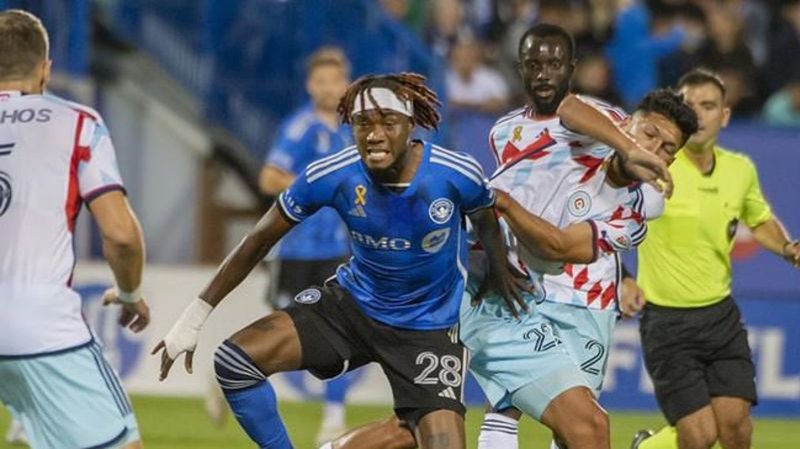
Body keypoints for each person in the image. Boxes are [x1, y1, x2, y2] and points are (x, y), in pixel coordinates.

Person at [322, 24, 688, 449]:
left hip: (538, 290)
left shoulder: (639, 210)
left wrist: (504, 205)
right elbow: (570, 108)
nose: (652, 149)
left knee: (424, 425)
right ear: (628, 123)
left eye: (666, 148)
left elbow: (556, 245)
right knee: (577, 424)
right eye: (647, 135)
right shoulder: (566, 127)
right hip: (481, 281)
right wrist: (627, 146)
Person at [153, 72, 528, 449]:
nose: (374, 134)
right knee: (235, 362)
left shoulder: (455, 173)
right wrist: (194, 317)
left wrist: (499, 272)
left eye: (388, 122)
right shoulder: (332, 173)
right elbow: (259, 239)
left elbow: (486, 220)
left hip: (429, 326)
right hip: (353, 307)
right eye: (363, 123)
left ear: (411, 125)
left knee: (429, 439)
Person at [0, 9, 150, 449]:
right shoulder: (78, 124)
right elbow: (120, 234)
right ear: (45, 70)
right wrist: (129, 293)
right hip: (40, 325)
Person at [629, 69, 800, 449]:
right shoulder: (654, 166)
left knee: (736, 429)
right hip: (667, 322)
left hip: (720, 317)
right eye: (689, 105)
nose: (698, 114)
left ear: (724, 115)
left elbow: (759, 220)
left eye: (708, 106)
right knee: (700, 436)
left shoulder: (740, 170)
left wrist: (788, 249)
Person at [257, 46, 355, 445]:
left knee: (342, 328)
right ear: (309, 86)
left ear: (346, 84)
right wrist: (316, 187)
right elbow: (269, 178)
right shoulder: (299, 129)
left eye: (335, 80)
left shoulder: (354, 129)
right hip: (297, 249)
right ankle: (239, 370)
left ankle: (334, 417)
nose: (329, 88)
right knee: (283, 333)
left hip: (340, 249)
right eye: (321, 81)